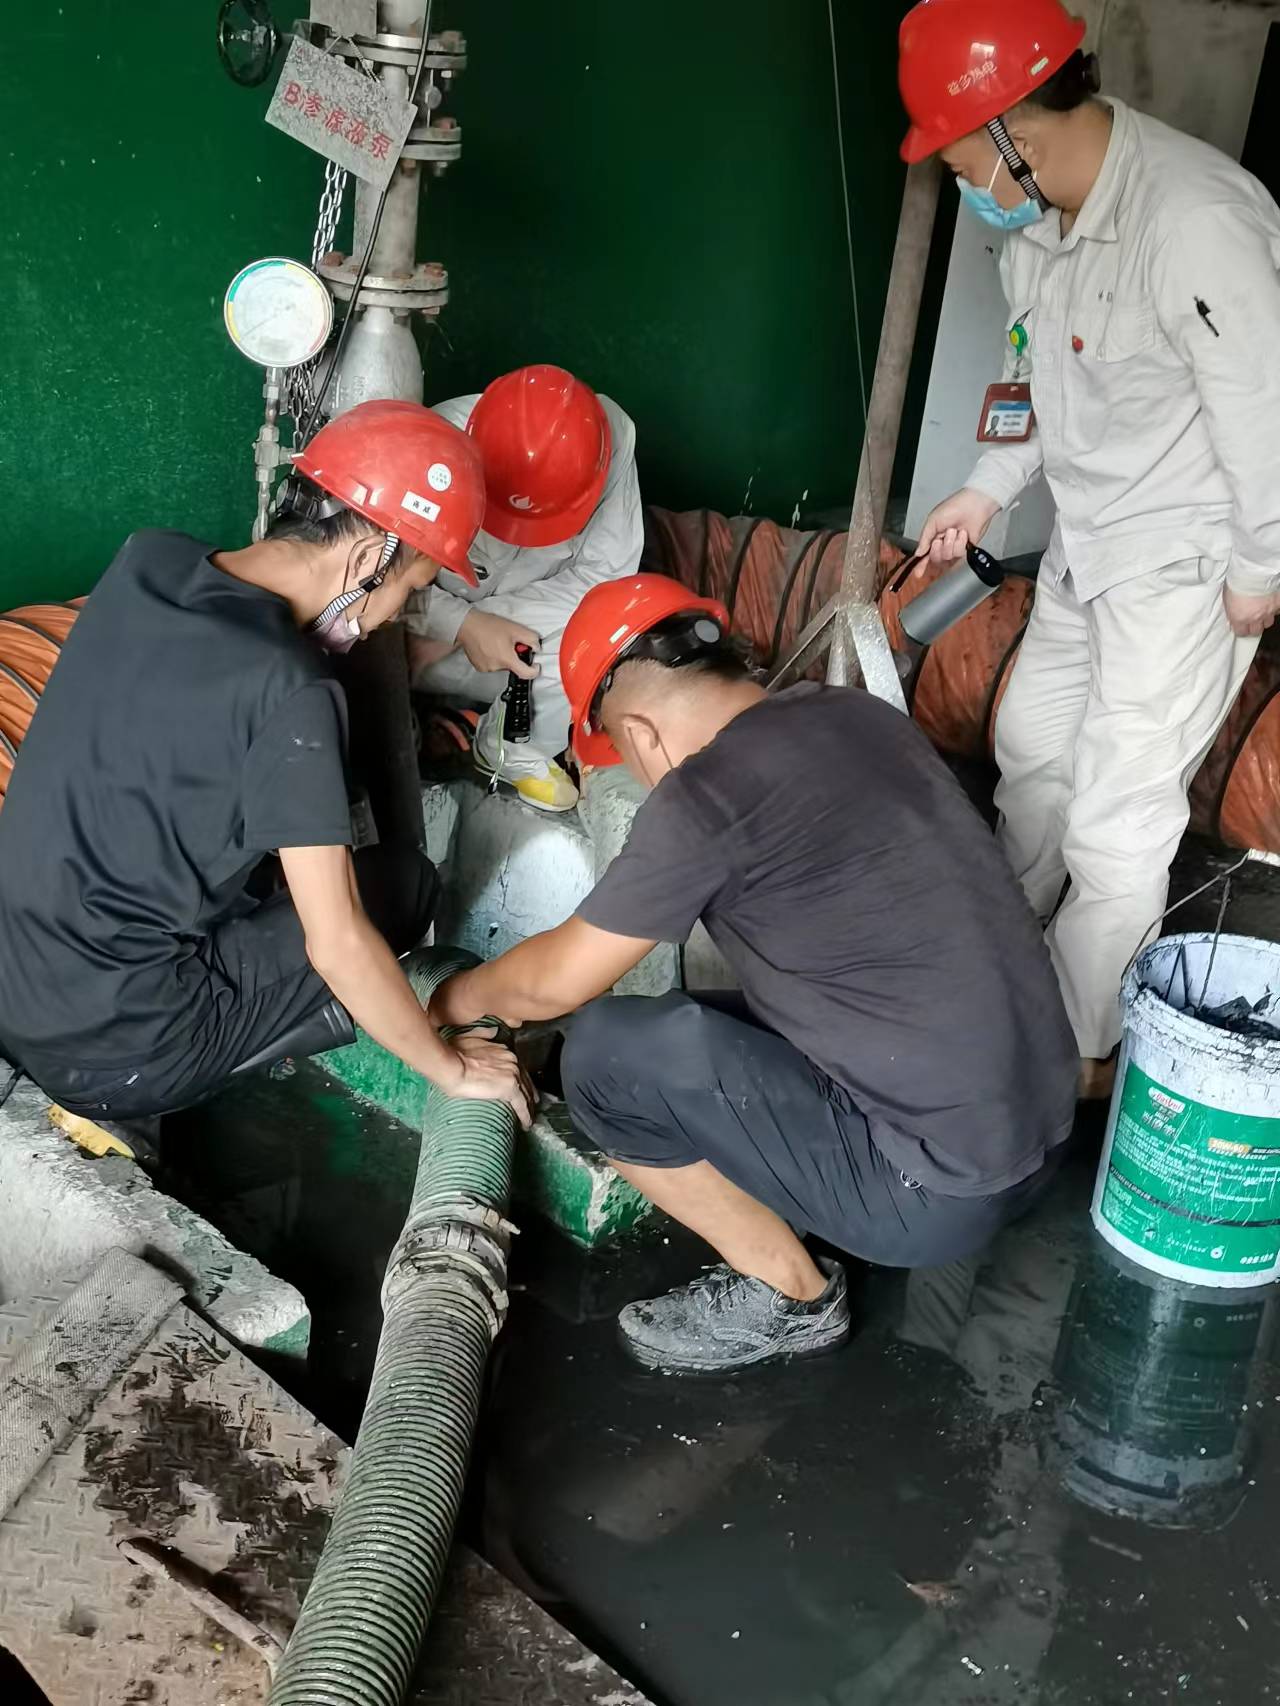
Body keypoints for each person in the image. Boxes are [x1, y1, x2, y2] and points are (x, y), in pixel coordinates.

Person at [429, 574, 1078, 1375]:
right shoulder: (852, 714)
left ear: (637, 730)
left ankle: (794, 1298)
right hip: (1043, 1131)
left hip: (936, 1196)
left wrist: (447, 998)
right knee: (690, 1026)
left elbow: (552, 984)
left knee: (605, 1060)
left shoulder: (706, 796)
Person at [900, 0, 1280, 1097]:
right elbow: (1032, 383)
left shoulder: (1193, 219)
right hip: (1084, 538)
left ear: (1016, 121)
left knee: (1119, 813)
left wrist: (1259, 567)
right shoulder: (1034, 224)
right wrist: (982, 489)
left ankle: (1059, 1056)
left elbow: (1261, 411)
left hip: (1180, 564)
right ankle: (1004, 950)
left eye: (960, 153)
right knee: (1030, 745)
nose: (959, 179)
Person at [0, 401, 530, 1130]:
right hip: (120, 1057)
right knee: (401, 887)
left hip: (18, 995)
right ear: (373, 556)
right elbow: (337, 941)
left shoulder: (148, 562)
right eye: (409, 590)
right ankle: (235, 1057)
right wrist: (453, 1069)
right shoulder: (291, 690)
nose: (389, 615)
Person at [405, 364, 643, 814]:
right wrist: (450, 620)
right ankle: (423, 719)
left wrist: (479, 626)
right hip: (412, 642)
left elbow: (603, 580)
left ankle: (508, 745)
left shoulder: (610, 441)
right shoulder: (431, 441)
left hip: (517, 645)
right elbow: (372, 573)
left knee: (614, 639)